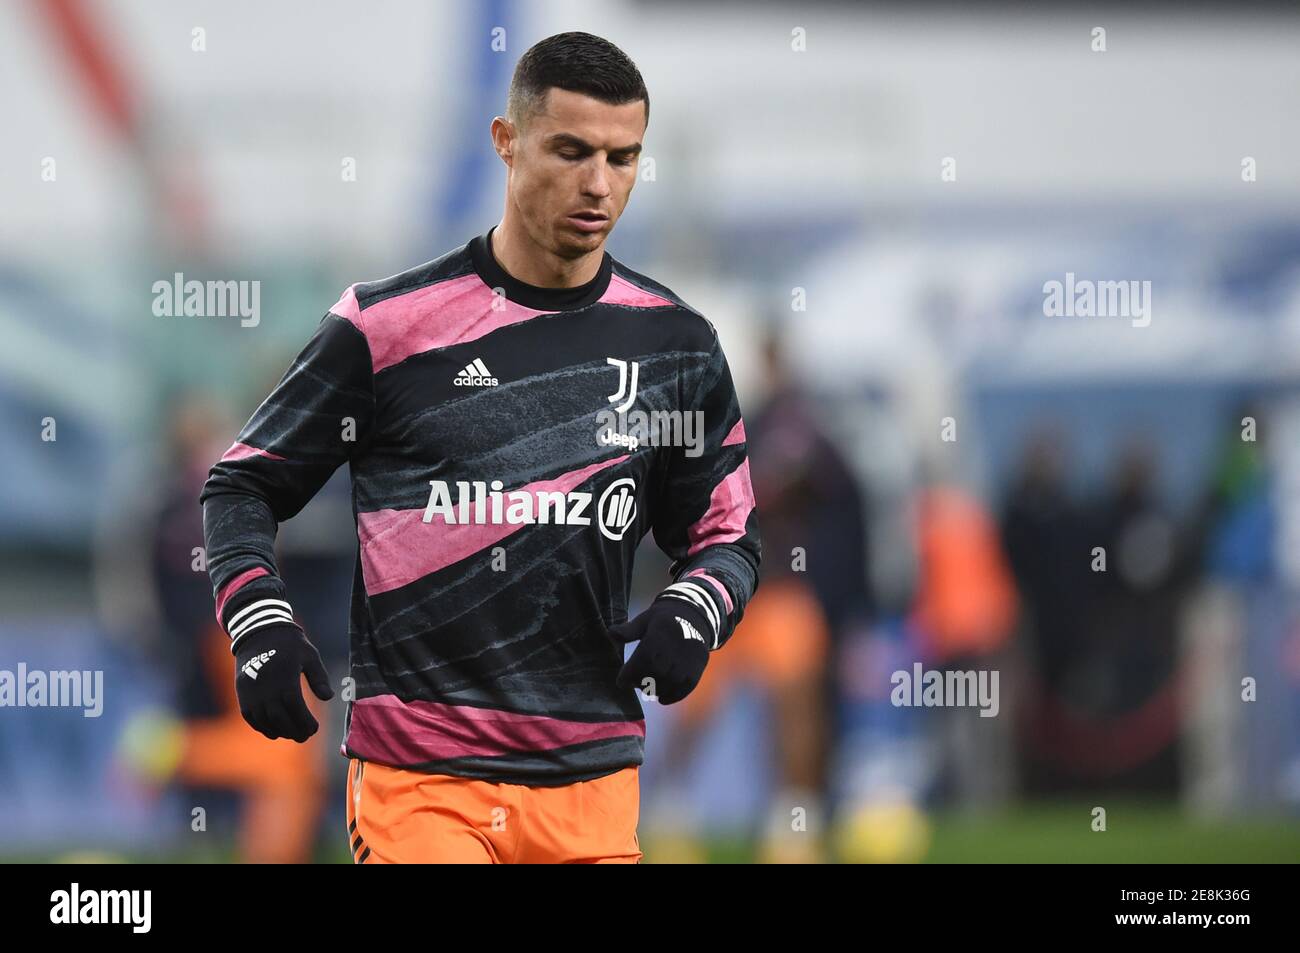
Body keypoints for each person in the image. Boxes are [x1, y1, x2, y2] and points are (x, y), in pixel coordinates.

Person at [198, 31, 760, 863]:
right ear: (506, 141)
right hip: (420, 778)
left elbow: (729, 534)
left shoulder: (676, 348)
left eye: (622, 157)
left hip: (592, 778)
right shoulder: (384, 329)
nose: (598, 184)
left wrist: (694, 610)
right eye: (570, 151)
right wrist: (258, 622)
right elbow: (242, 485)